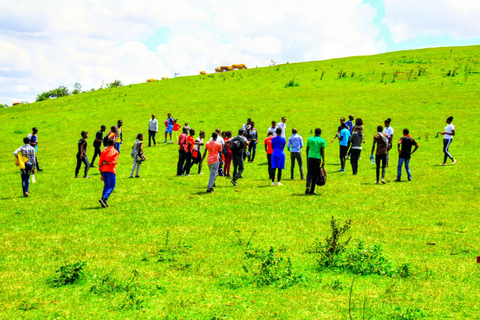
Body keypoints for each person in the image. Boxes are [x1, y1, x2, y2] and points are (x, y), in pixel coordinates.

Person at [98, 138, 119, 207]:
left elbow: (100, 162)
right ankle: (104, 198)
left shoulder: (103, 151)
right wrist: (108, 163)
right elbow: (114, 162)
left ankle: (104, 202)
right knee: (112, 186)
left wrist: (101, 172)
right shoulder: (115, 152)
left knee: (106, 185)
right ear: (113, 143)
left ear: (107, 144)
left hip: (104, 170)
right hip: (110, 170)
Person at [305, 128, 325, 195]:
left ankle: (307, 185)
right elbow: (322, 150)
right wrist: (323, 160)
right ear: (320, 133)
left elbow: (307, 148)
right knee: (314, 174)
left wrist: (307, 157)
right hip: (317, 158)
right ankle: (312, 190)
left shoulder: (310, 139)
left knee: (309, 172)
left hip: (310, 157)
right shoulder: (322, 140)